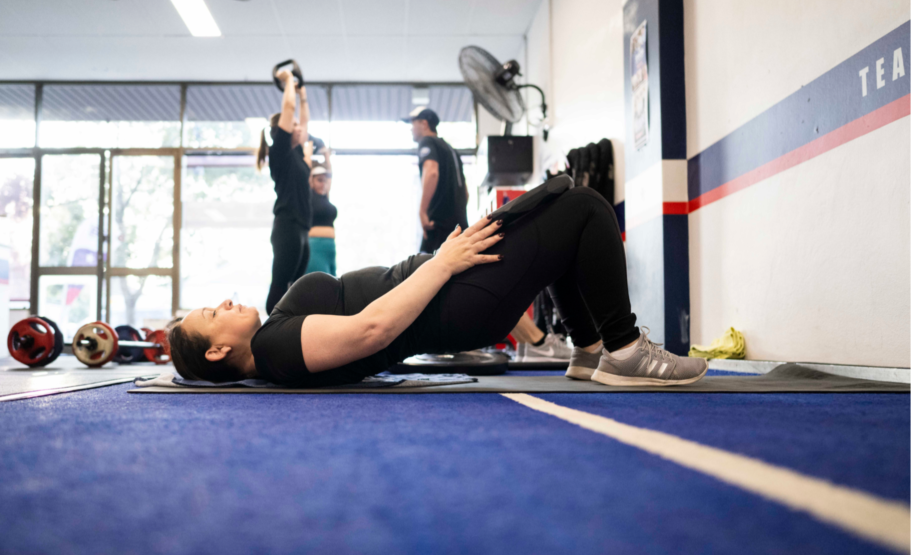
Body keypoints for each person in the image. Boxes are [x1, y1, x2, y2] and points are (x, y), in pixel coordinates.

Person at [168, 178, 708, 388]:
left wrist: (440, 262)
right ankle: (624, 348)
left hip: (449, 290)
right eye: (212, 315)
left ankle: (591, 350)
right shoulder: (274, 348)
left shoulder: (273, 345)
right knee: (583, 207)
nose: (225, 303)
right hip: (455, 301)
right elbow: (371, 330)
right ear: (218, 352)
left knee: (560, 208)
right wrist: (443, 263)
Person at [257, 67, 312, 314]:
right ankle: (269, 335)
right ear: (284, 129)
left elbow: (304, 119)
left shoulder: (297, 154)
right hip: (287, 225)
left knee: (295, 289)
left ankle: (287, 332)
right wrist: (288, 79)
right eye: (295, 125)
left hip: (301, 227)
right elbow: (288, 110)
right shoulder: (280, 152)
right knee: (280, 286)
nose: (299, 128)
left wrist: (302, 94)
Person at [407, 107, 469, 255]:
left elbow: (432, 172)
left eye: (413, 124)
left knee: (424, 270)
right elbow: (466, 193)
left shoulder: (427, 142)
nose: (411, 129)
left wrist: (422, 211)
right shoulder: (451, 150)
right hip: (459, 227)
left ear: (424, 124)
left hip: (439, 226)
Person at [305, 155, 337, 276]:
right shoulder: (309, 197)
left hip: (330, 248)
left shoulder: (326, 198)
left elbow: (330, 175)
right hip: (315, 247)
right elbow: (305, 171)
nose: (323, 184)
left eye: (325, 180)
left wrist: (327, 155)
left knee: (333, 286)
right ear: (311, 181)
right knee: (319, 285)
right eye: (319, 180)